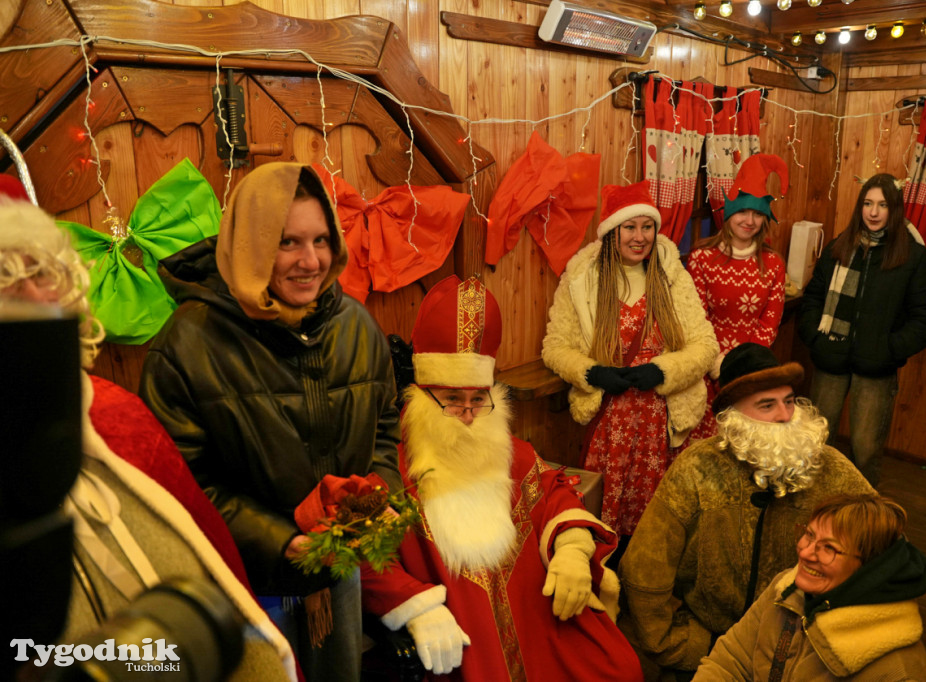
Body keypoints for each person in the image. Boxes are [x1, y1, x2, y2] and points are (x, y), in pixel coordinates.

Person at [0, 197, 296, 681]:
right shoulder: (184, 341)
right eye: (7, 280)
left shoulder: (120, 414)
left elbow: (209, 551)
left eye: (43, 273)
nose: (32, 297)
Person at [138, 162, 402, 681]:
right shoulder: (187, 343)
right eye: (287, 243)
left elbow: (386, 427)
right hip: (245, 582)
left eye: (322, 240)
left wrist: (378, 497)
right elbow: (177, 485)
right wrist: (278, 540)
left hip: (336, 574)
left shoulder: (355, 325)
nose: (311, 261)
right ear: (251, 245)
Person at [361, 275, 643, 681]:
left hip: (538, 622)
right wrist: (416, 605)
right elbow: (362, 554)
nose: (470, 414)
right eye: (452, 401)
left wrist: (572, 549)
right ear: (423, 399)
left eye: (479, 399)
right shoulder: (395, 471)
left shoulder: (509, 451)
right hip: (463, 639)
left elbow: (554, 490)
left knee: (616, 666)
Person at [618, 343, 874, 680]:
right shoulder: (697, 468)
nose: (785, 415)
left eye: (789, 401)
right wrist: (679, 646)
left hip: (801, 649)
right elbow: (644, 569)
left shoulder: (832, 469)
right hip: (708, 645)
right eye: (766, 405)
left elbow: (885, 547)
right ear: (734, 418)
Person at [542, 180, 718, 556]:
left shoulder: (673, 276)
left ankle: (651, 583)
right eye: (630, 227)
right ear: (612, 232)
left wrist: (664, 370)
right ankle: (610, 583)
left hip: (664, 416)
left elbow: (705, 346)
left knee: (663, 518)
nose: (640, 237)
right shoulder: (582, 280)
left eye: (647, 227)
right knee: (610, 519)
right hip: (613, 420)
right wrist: (590, 373)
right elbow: (556, 348)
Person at [694, 494, 926, 681]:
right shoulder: (786, 588)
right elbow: (729, 661)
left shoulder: (898, 670)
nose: (805, 552)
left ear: (868, 569)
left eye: (829, 548)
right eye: (809, 535)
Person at [798, 173, 926, 485]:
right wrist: (815, 337)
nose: (873, 212)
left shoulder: (912, 257)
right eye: (867, 203)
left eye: (882, 205)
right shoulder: (839, 246)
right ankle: (815, 514)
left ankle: (862, 524)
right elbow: (813, 297)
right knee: (815, 446)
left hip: (876, 368)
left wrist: (889, 349)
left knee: (865, 452)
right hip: (830, 359)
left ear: (895, 210)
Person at [687, 154, 788, 441]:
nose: (750, 220)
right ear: (729, 214)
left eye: (757, 214)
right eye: (743, 212)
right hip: (707, 365)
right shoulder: (702, 258)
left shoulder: (773, 264)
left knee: (748, 442)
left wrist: (744, 366)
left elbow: (769, 322)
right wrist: (716, 363)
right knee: (707, 444)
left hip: (752, 369)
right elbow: (696, 317)